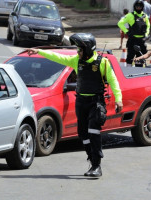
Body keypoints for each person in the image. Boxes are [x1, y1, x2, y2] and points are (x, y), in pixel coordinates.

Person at [26, 33, 123, 177]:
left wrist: (118, 99)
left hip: (96, 102)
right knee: (83, 134)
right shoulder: (76, 60)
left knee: (94, 132)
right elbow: (58, 57)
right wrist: (39, 51)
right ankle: (91, 160)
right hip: (81, 102)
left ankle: (97, 165)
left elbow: (114, 81)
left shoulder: (103, 63)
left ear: (88, 49)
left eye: (80, 49)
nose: (78, 52)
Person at [118, 0, 150, 67]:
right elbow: (120, 23)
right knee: (130, 58)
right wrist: (126, 32)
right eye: (137, 6)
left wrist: (146, 34)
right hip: (132, 40)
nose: (138, 7)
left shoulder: (145, 16)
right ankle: (128, 72)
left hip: (141, 40)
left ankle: (139, 73)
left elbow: (148, 26)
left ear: (142, 7)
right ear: (134, 7)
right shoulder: (130, 15)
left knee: (140, 58)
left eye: (140, 6)